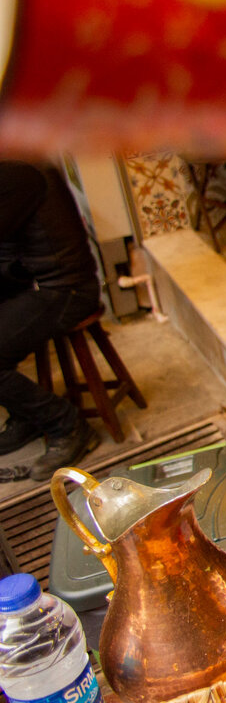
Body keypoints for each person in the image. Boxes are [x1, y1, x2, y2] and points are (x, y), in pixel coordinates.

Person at [0, 161, 101, 479]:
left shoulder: (18, 168)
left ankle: (67, 425)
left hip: (64, 290)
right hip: (37, 285)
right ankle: (27, 417)